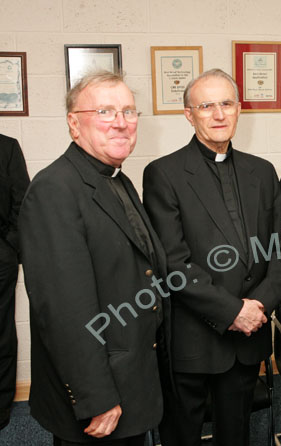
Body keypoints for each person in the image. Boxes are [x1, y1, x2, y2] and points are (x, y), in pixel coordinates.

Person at [143, 68, 281, 446]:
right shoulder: (164, 173)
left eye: (226, 103)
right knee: (183, 436)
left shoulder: (263, 171)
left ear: (239, 109)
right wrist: (233, 312)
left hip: (248, 337)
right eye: (206, 106)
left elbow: (278, 253)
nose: (219, 114)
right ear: (188, 115)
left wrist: (258, 306)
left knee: (236, 435)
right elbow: (173, 264)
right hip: (193, 338)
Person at [19, 71, 169, 445]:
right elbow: (64, 312)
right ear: (74, 123)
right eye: (105, 111)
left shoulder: (118, 180)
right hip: (99, 395)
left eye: (129, 112)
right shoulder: (55, 190)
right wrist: (96, 397)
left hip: (131, 375)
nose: (121, 122)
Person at [0, 134, 29, 429]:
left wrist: (7, 249)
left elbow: (22, 202)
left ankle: (1, 410)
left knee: (1, 334)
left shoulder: (6, 147)